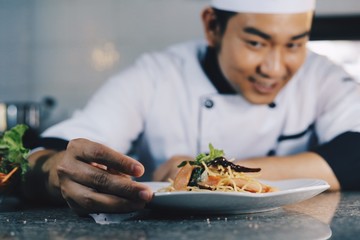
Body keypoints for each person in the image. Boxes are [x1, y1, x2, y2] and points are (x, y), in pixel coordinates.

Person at [22, 0, 360, 215]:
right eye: (255, 43)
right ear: (213, 26)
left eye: (294, 44)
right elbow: (50, 154)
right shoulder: (156, 76)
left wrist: (201, 174)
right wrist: (54, 172)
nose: (274, 67)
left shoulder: (321, 76)